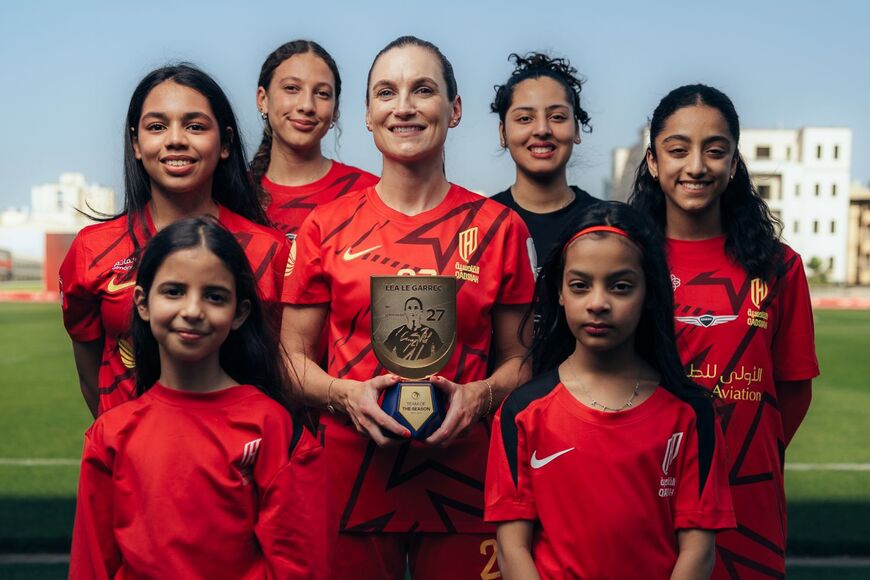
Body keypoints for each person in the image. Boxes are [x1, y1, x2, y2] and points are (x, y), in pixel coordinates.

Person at [281, 36, 536, 579]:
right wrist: (344, 394)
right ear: (367, 115)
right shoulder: (325, 226)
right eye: (386, 93)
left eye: (423, 90)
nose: (404, 107)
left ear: (454, 109)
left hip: (466, 489)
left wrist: (481, 396)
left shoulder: (499, 228)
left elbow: (524, 362)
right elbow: (289, 360)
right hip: (350, 489)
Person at [486, 202, 736, 579]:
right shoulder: (522, 411)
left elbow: (698, 552)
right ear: (559, 292)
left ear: (648, 292)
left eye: (620, 287)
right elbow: (512, 548)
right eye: (580, 286)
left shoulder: (691, 414)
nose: (598, 304)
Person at [629, 84, 819, 577]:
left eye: (715, 151)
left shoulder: (779, 267)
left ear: (734, 164)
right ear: (653, 162)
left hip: (747, 501)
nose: (696, 166)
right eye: (678, 150)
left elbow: (794, 391)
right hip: (647, 492)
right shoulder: (625, 262)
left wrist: (744, 453)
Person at [68, 217, 325, 579]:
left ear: (239, 313)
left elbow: (301, 566)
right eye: (173, 291)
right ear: (142, 303)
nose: (192, 311)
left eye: (214, 296)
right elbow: (91, 566)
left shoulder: (273, 427)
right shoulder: (110, 434)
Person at [60, 64, 288, 417]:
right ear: (136, 144)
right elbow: (91, 377)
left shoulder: (270, 250)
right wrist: (124, 437)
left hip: (238, 449)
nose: (176, 139)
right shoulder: (92, 248)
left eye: (195, 126)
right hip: (129, 449)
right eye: (157, 127)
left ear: (225, 143)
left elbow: (282, 371)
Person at [252, 39, 379, 238]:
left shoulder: (370, 193)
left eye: (322, 93)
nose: (307, 106)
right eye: (292, 88)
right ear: (263, 99)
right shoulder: (233, 193)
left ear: (335, 110)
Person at [490, 52, 598, 270]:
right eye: (525, 118)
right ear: (503, 133)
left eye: (557, 117)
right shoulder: (480, 224)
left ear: (576, 130)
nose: (542, 130)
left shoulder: (606, 222)